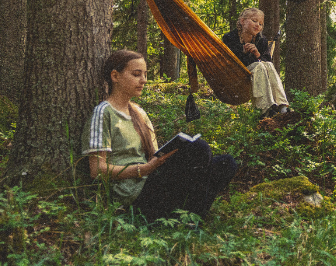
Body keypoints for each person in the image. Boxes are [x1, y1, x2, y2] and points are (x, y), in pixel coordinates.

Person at [83, 50, 237, 222]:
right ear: (115, 76)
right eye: (136, 74)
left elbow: (154, 155)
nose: (143, 80)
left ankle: (186, 217)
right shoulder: (104, 113)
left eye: (145, 74)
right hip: (133, 194)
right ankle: (186, 218)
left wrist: (163, 159)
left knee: (225, 163)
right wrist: (144, 169)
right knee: (199, 149)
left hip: (152, 182)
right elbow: (97, 170)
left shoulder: (139, 113)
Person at [221, 7, 290, 118]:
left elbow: (267, 60)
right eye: (254, 21)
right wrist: (242, 51)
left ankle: (282, 106)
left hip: (255, 74)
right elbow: (227, 61)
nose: (258, 25)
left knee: (267, 65)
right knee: (259, 66)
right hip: (236, 75)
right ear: (242, 21)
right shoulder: (230, 38)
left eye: (261, 24)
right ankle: (264, 109)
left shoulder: (261, 41)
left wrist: (257, 54)